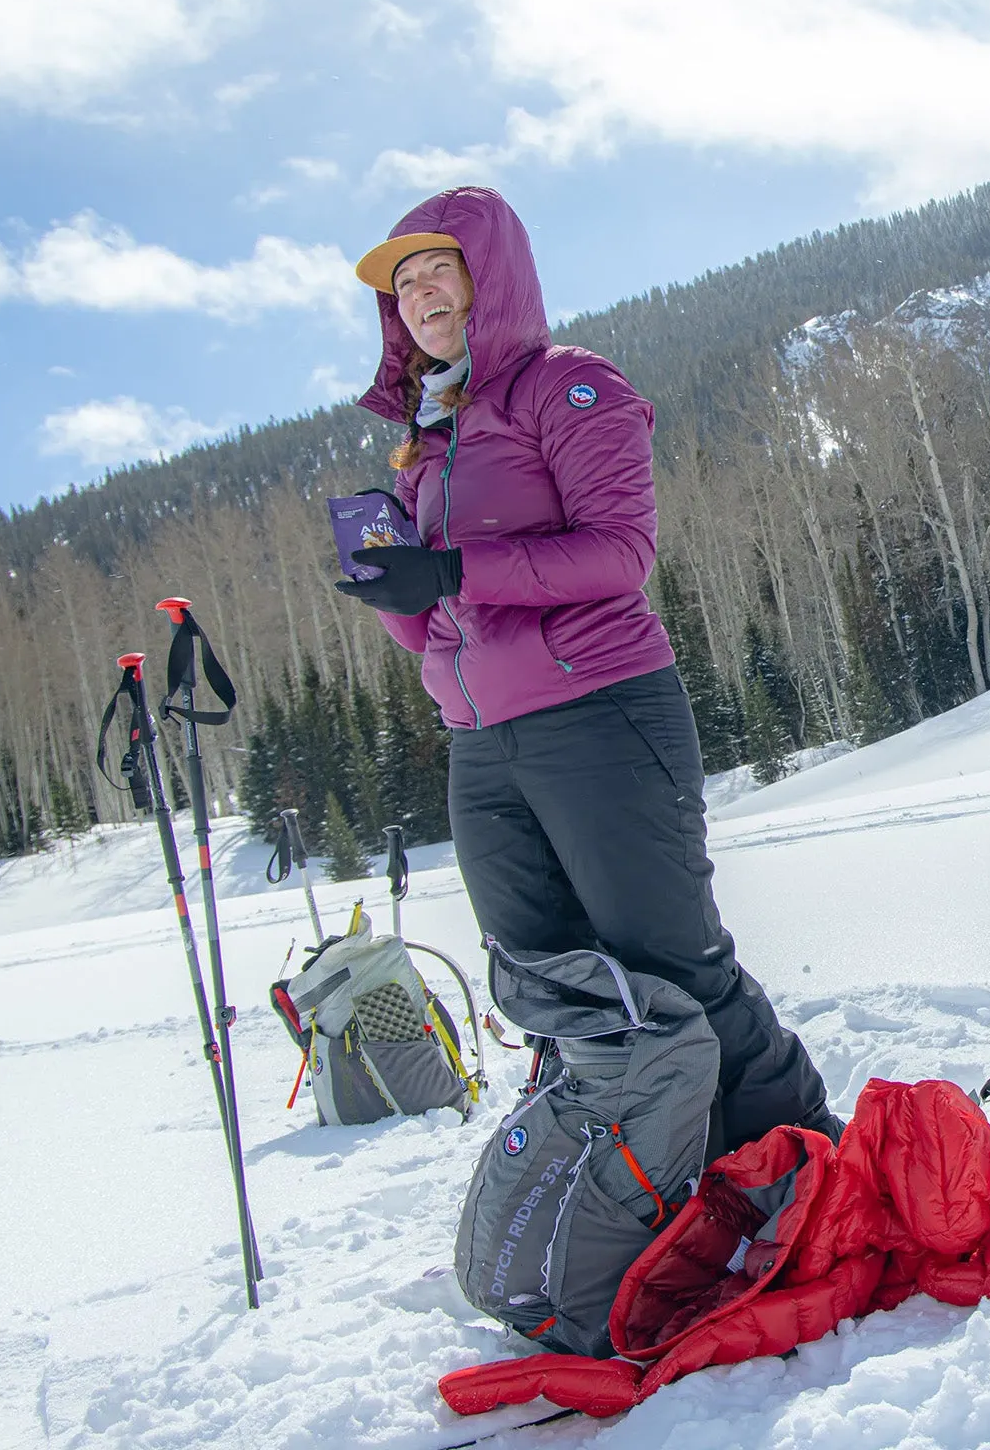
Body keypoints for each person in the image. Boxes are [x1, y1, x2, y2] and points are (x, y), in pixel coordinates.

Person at [335, 185, 841, 1150]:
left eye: (440, 268)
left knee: (673, 965)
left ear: (490, 277)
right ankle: (659, 1182)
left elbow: (618, 554)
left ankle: (803, 1159)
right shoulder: (425, 444)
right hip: (479, 747)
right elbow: (444, 622)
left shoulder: (570, 385)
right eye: (402, 286)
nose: (421, 294)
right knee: (547, 974)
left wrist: (451, 568)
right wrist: (406, 598)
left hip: (600, 713)